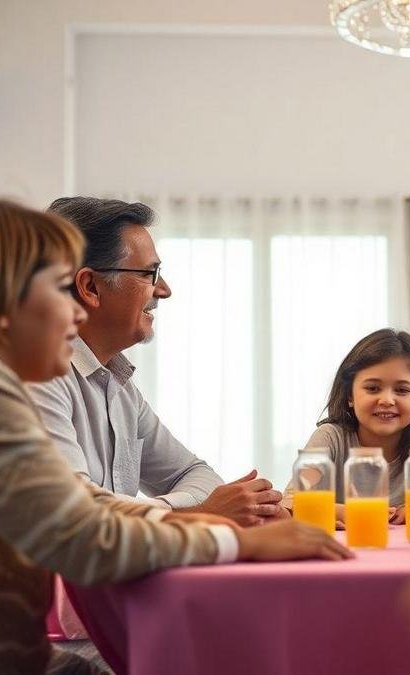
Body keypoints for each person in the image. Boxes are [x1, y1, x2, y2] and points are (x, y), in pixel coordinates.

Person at [0, 190, 351, 674]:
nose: (75, 312)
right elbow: (83, 538)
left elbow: (78, 503)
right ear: (3, 301)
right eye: (59, 289)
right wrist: (236, 540)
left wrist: (214, 523)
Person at [28, 196, 280, 527]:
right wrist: (195, 514)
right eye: (150, 273)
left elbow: (197, 474)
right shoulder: (39, 376)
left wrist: (156, 512)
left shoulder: (119, 386)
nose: (164, 290)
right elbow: (75, 512)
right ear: (90, 286)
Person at [285, 328, 410, 525]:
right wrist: (341, 511)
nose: (386, 400)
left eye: (402, 390)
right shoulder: (330, 439)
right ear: (350, 395)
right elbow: (290, 501)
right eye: (372, 388)